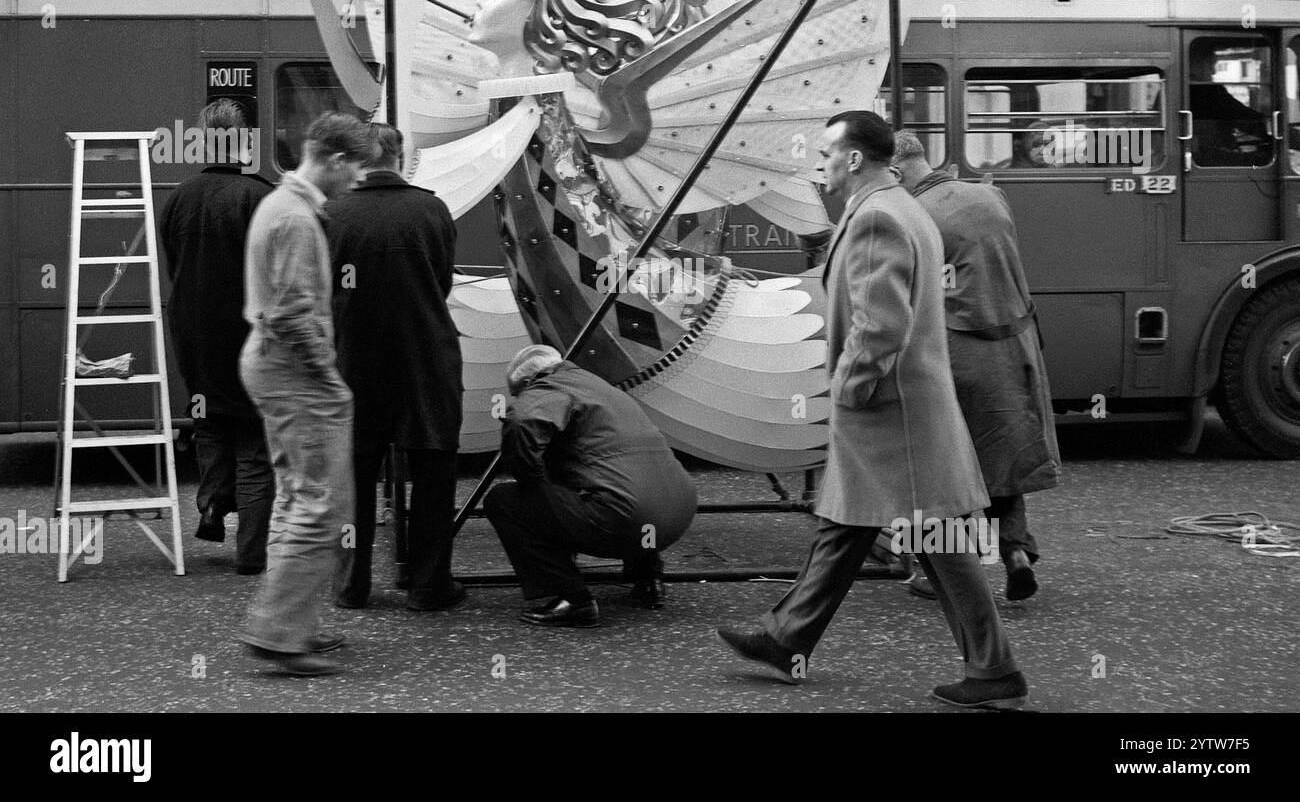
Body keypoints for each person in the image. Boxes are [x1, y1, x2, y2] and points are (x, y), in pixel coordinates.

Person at [716, 111, 1027, 710]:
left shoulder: (878, 215)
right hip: (902, 410)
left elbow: (881, 325)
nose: (819, 162)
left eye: (827, 151)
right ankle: (788, 640)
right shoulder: (901, 206)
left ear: (854, 158)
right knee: (855, 526)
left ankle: (994, 671)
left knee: (934, 536)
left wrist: (850, 389)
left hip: (890, 412)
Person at [893, 131, 1061, 602]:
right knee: (1001, 454)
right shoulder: (990, 195)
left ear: (896, 170)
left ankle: (940, 570)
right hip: (1016, 346)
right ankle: (1016, 552)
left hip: (958, 351)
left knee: (944, 463)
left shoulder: (911, 216)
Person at [238, 112, 375, 677]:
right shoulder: (295, 219)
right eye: (357, 169)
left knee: (297, 496)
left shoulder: (281, 206)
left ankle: (289, 623)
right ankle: (278, 634)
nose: (359, 182)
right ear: (336, 161)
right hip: (295, 372)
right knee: (320, 503)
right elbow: (293, 314)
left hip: (270, 364)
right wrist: (328, 377)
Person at [328, 123, 466, 612]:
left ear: (357, 159)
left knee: (353, 475)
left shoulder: (332, 213)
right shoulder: (432, 209)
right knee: (433, 470)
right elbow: (442, 283)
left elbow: (326, 296)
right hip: (425, 359)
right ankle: (429, 585)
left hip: (354, 361)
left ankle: (352, 583)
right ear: (401, 158)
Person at [485, 345, 698, 627]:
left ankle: (574, 600)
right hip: (679, 512)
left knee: (503, 501)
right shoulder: (599, 387)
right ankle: (649, 581)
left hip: (626, 518)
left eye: (519, 393)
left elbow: (522, 421)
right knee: (627, 485)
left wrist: (531, 480)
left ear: (527, 383)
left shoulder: (546, 387)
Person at [158, 99, 274, 573]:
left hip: (193, 330)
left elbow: (173, 264)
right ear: (243, 141)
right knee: (254, 437)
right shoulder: (260, 197)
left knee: (209, 421)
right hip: (246, 333)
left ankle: (211, 502)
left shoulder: (179, 198)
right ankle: (251, 553)